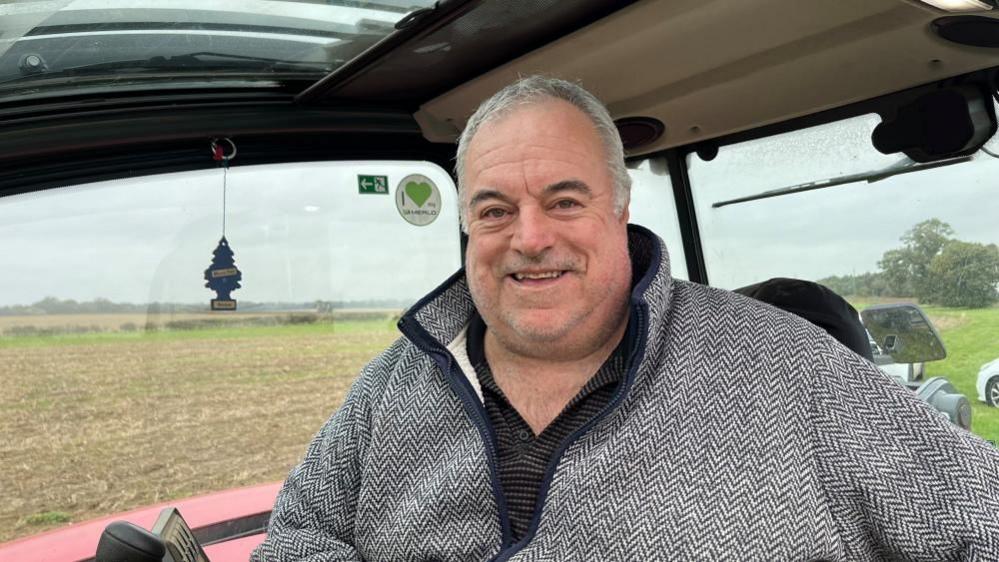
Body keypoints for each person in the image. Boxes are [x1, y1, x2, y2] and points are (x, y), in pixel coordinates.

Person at [252, 76, 999, 561]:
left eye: (563, 200)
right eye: (494, 210)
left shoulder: (790, 371)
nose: (530, 236)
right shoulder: (394, 383)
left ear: (618, 207)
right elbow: (297, 534)